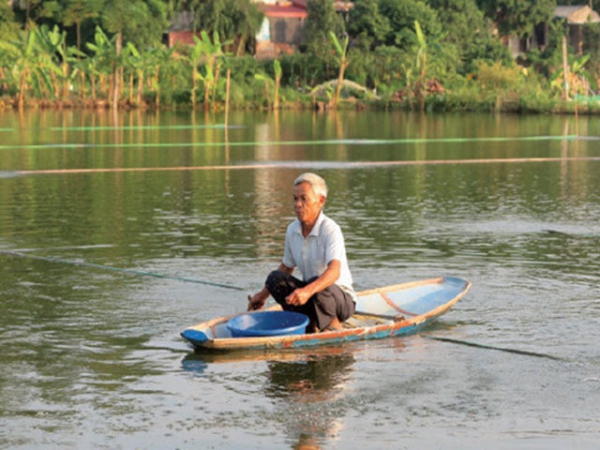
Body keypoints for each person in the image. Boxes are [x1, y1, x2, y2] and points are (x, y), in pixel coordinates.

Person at [248, 173, 356, 332]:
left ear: (321, 201)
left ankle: (334, 326)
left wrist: (307, 291)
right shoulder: (292, 230)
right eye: (295, 198)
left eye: (304, 199)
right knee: (274, 279)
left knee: (317, 283)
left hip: (339, 300)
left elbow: (334, 272)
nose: (298, 204)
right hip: (312, 295)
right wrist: (263, 295)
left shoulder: (330, 229)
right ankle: (310, 324)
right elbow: (286, 267)